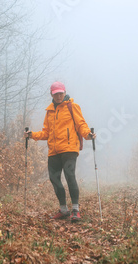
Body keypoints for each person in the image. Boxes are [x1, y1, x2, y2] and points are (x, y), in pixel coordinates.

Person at [25, 81, 95, 221]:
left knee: (69, 176)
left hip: (69, 149)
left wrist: (88, 135)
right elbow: (46, 133)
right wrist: (32, 135)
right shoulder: (50, 111)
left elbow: (81, 124)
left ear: (64, 92)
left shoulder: (72, 106)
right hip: (54, 151)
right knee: (54, 179)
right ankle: (63, 210)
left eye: (60, 93)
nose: (58, 96)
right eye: (56, 94)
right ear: (51, 94)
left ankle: (76, 210)